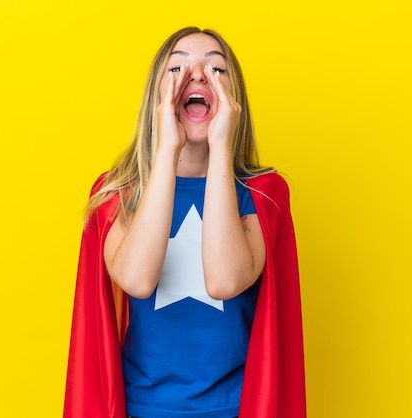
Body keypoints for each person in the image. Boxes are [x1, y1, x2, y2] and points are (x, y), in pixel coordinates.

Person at [64, 26, 306, 418]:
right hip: (141, 408)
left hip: (235, 408)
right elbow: (138, 280)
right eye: (177, 68)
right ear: (156, 98)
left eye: (216, 69)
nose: (197, 75)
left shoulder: (264, 193)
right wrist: (167, 146)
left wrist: (221, 147)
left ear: (234, 98)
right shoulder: (117, 194)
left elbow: (225, 281)